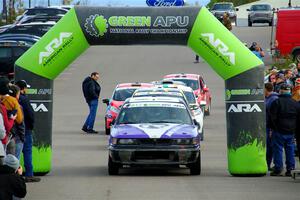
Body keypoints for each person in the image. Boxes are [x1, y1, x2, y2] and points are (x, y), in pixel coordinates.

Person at [269, 84, 300, 176]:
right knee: (290, 149)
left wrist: (273, 128)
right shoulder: (295, 103)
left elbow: (272, 117)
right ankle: (290, 168)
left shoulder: (276, 102)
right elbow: (298, 118)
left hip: (279, 129)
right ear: (290, 91)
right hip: (291, 130)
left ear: (281, 91)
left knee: (278, 149)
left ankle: (278, 168)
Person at [15, 80, 41, 183]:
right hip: (25, 129)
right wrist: (31, 126)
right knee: (27, 152)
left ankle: (15, 174)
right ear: (23, 88)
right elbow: (30, 115)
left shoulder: (11, 99)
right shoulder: (24, 100)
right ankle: (29, 174)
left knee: (15, 153)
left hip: (14, 130)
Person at [264, 83, 278, 170]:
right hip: (267, 125)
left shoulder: (273, 99)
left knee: (270, 146)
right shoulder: (267, 98)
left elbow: (273, 116)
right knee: (268, 146)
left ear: (266, 89)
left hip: (270, 127)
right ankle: (267, 164)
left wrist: (271, 129)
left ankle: (268, 164)